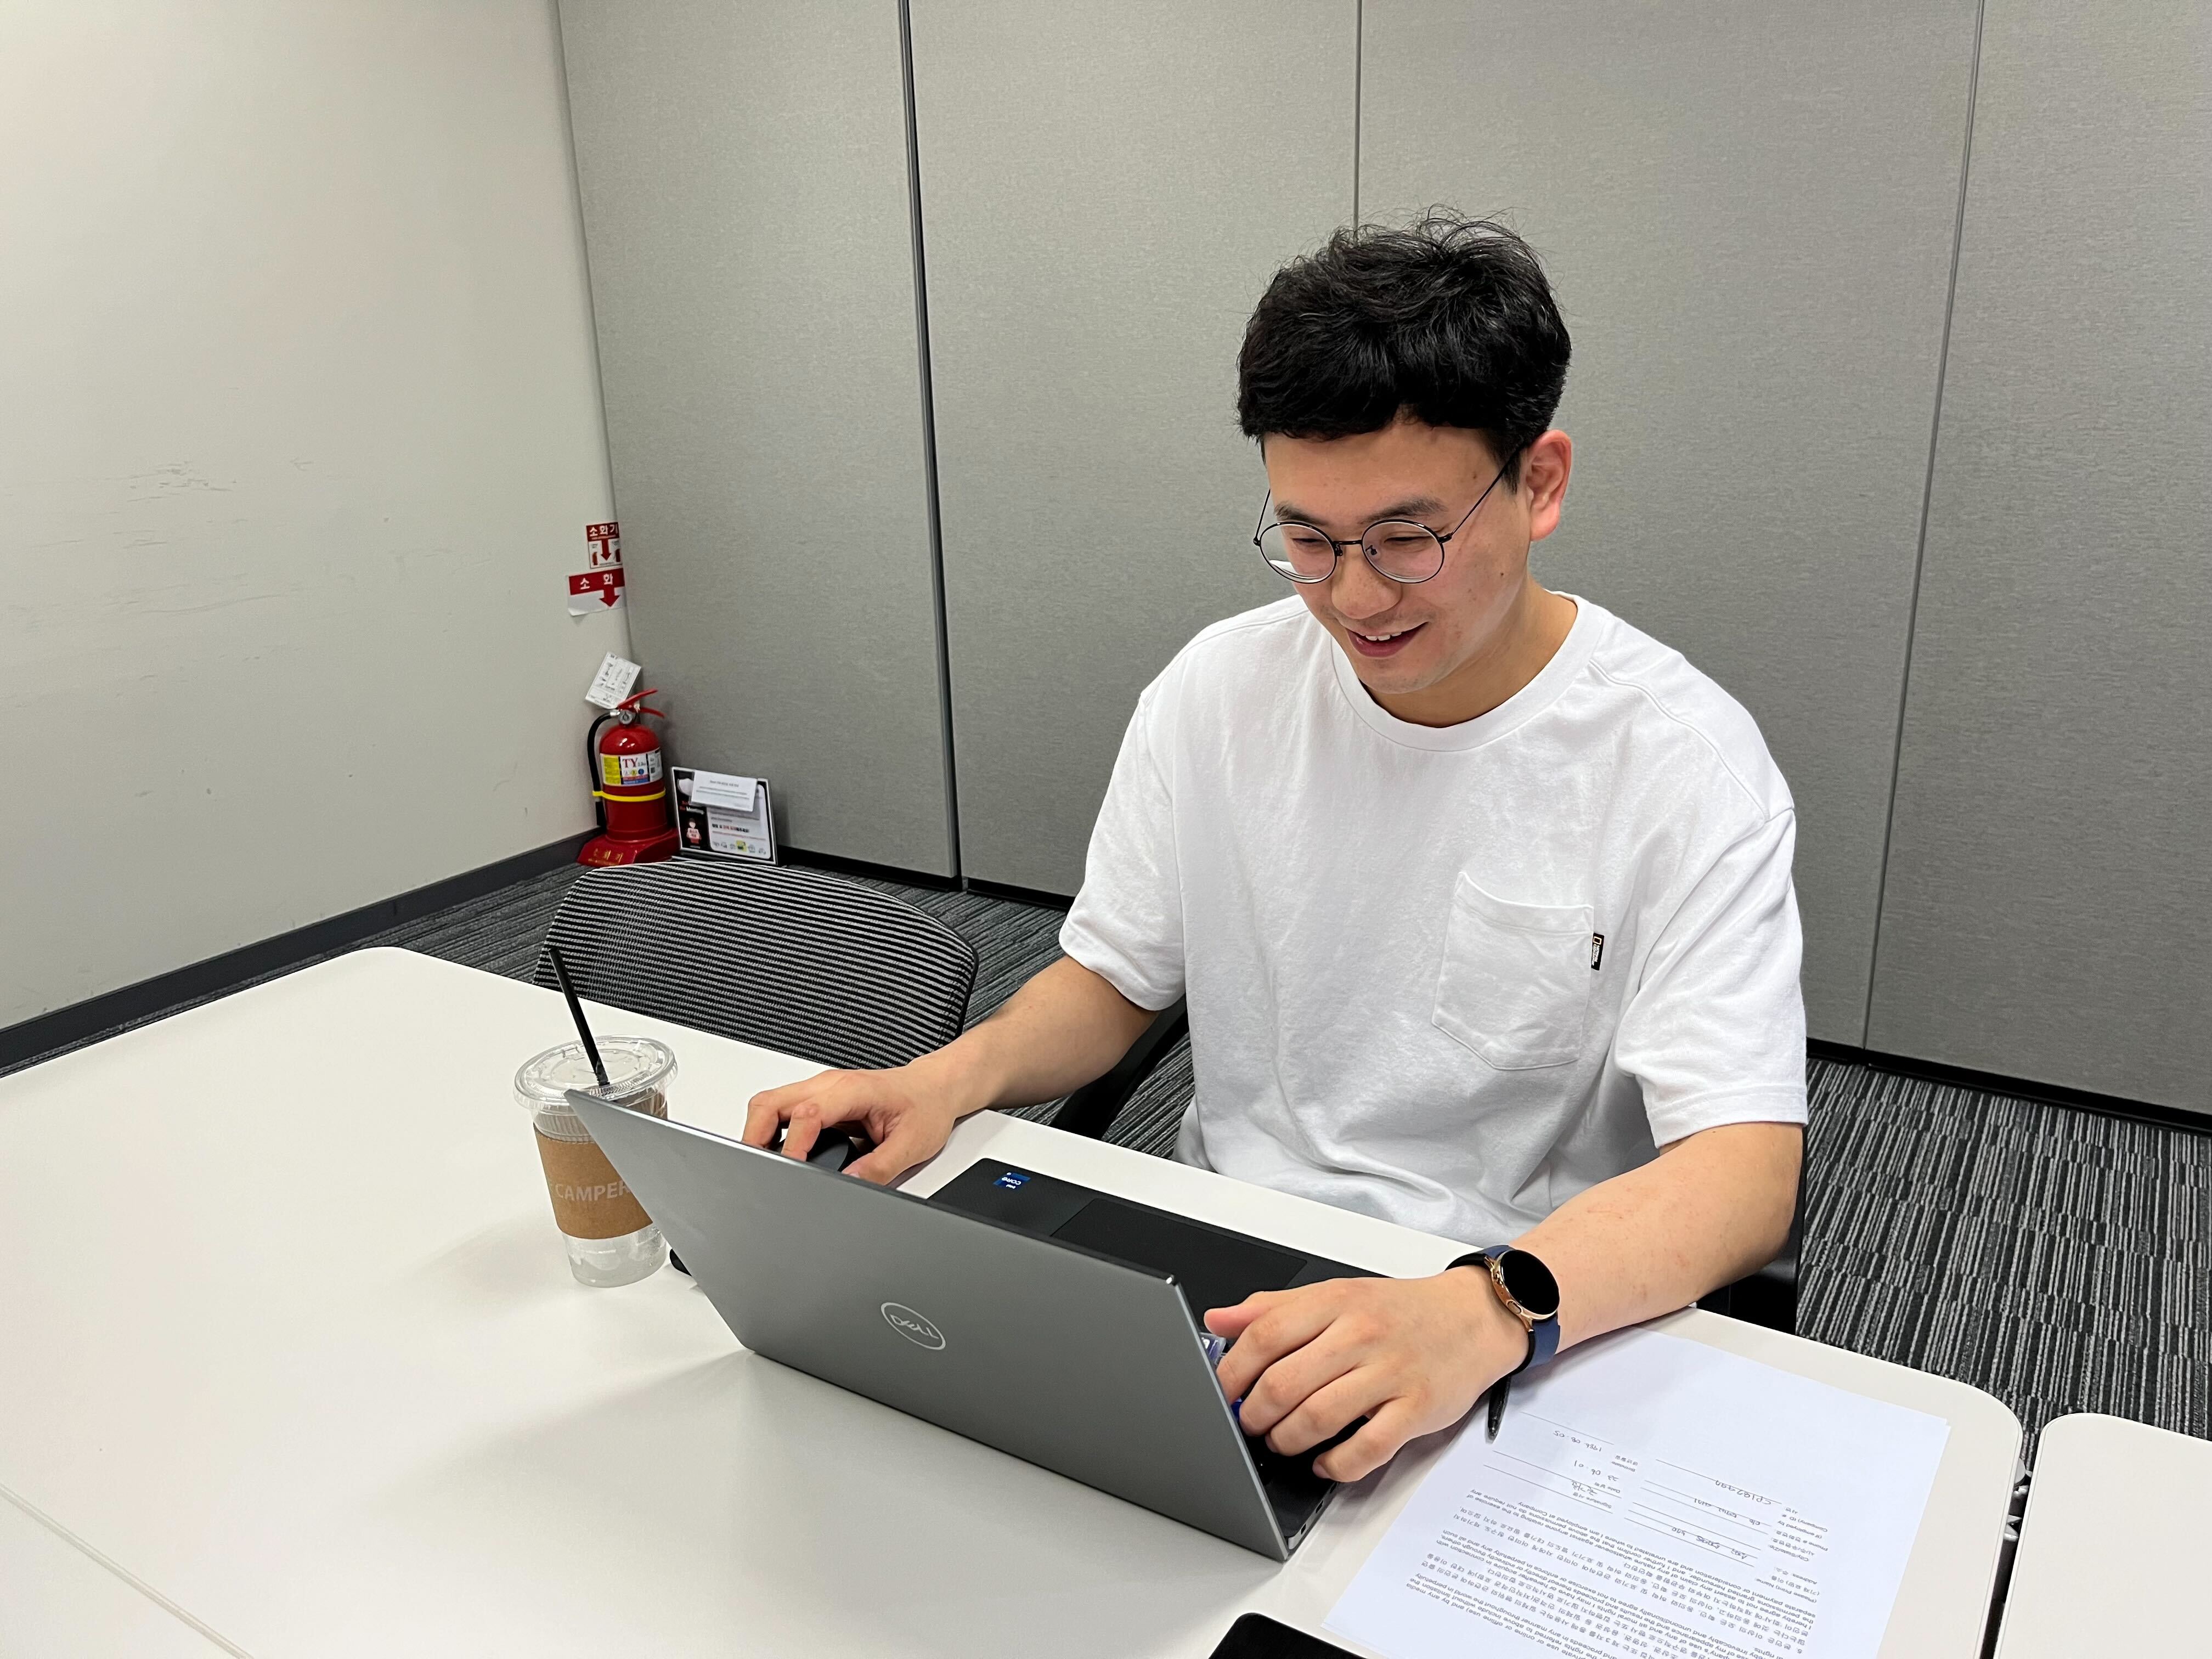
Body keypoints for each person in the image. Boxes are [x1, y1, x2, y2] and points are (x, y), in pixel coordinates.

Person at [746, 215, 1804, 1486]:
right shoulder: (1218, 690)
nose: (1353, 597)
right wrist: (945, 1080)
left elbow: (1747, 1173)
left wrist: (1484, 1309)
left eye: (1408, 539)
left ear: (1539, 483)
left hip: (1506, 1301)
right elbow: (1116, 979)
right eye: (1308, 537)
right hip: (1222, 1255)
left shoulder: (1682, 767)